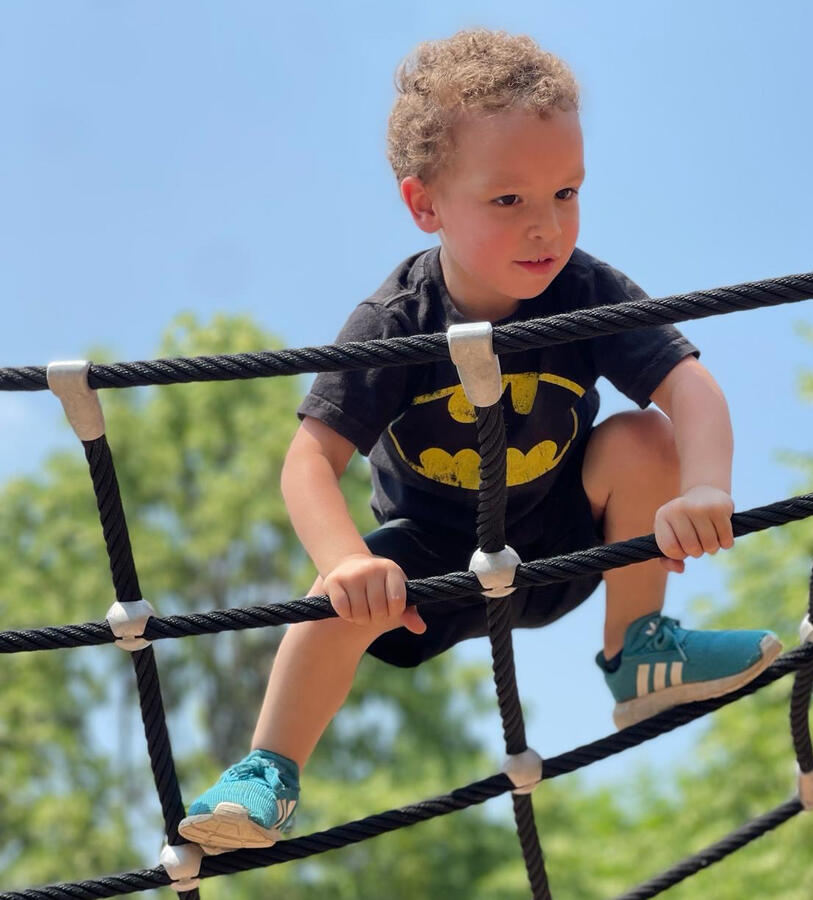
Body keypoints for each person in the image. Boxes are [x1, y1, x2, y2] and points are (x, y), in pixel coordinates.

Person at [178, 28, 781, 854]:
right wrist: (350, 559)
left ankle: (637, 651)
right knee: (330, 593)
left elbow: (690, 386)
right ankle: (270, 770)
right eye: (510, 201)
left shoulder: (586, 289)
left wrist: (707, 486)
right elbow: (309, 459)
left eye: (567, 193)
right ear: (426, 205)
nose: (547, 227)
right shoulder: (397, 320)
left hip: (561, 541)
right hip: (427, 568)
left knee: (646, 436)